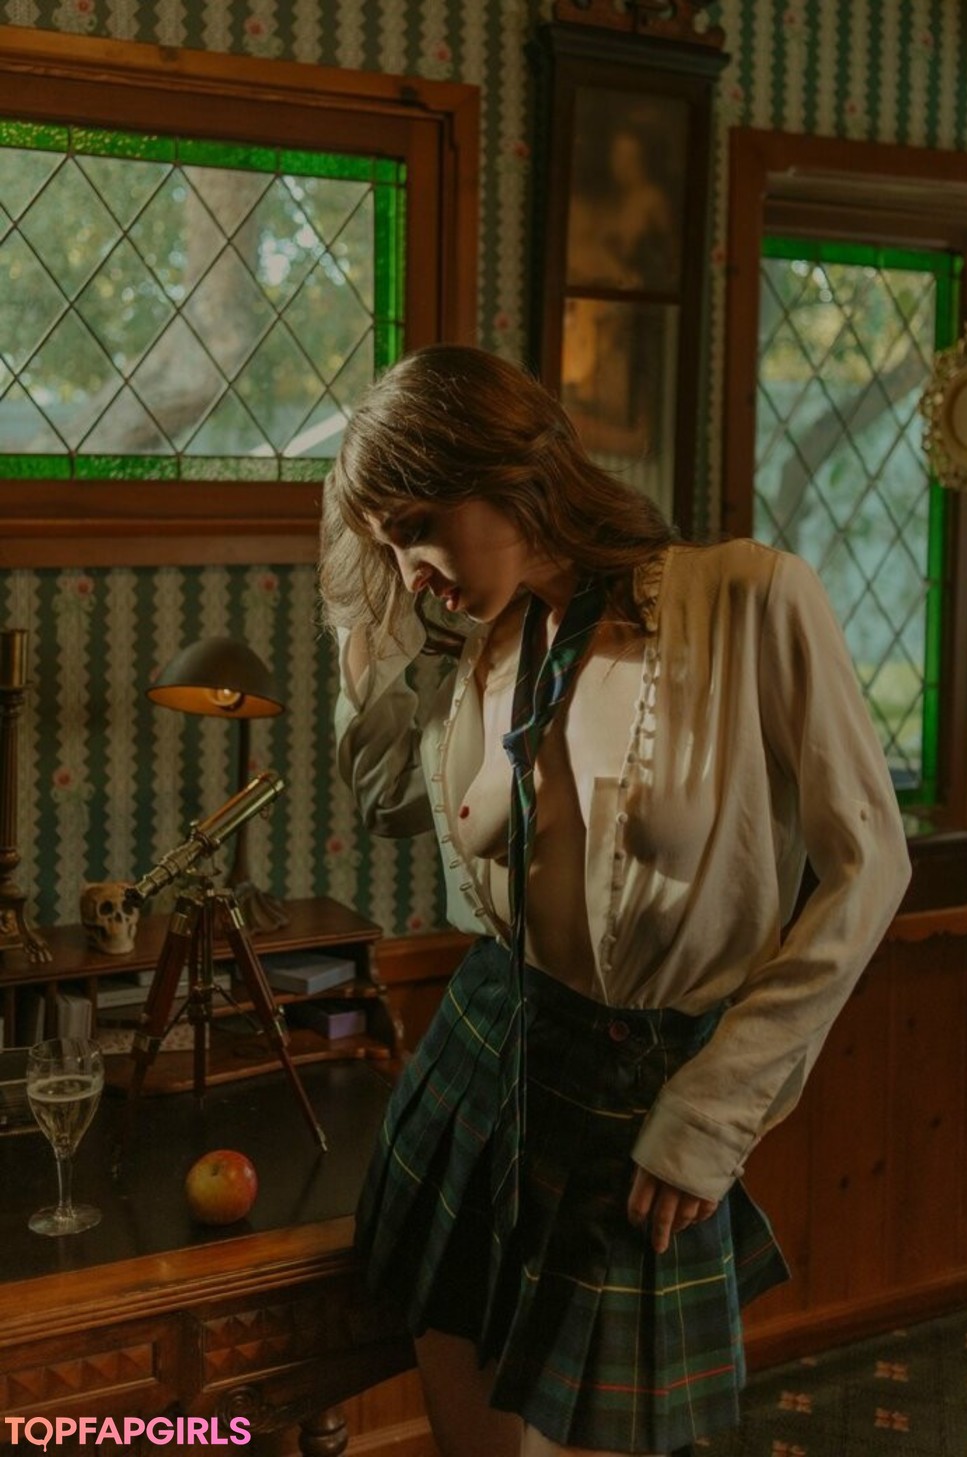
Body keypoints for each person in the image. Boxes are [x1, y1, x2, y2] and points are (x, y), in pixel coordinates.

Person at [321, 344, 912, 1457]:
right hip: (474, 1068)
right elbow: (388, 794)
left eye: (418, 528)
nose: (410, 569)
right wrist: (378, 623)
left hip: (638, 1104)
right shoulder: (486, 641)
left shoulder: (751, 599)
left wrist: (717, 1110)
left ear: (509, 473)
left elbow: (871, 865)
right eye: (387, 545)